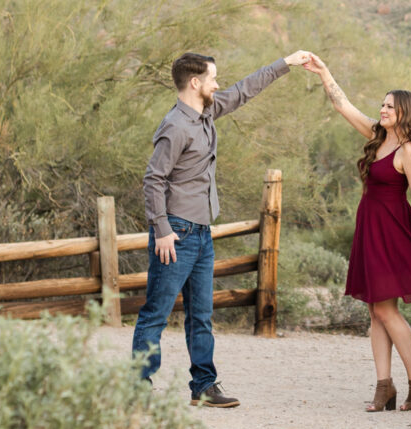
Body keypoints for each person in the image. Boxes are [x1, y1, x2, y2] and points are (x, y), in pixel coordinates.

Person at [133, 48, 310, 406]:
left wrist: (285, 63)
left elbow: (244, 89)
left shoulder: (207, 110)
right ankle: (137, 389)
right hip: (176, 234)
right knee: (156, 313)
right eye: (213, 78)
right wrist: (162, 229)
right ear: (195, 82)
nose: (218, 83)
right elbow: (153, 179)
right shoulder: (175, 126)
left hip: (201, 233)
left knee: (201, 315)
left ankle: (204, 386)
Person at [300, 53, 411, 412]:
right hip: (369, 231)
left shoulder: (408, 150)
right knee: (375, 310)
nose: (383, 110)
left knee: (386, 312)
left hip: (392, 234)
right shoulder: (376, 135)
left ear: (405, 112)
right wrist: (324, 72)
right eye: (382, 105)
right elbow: (343, 106)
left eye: (390, 106)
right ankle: (384, 387)